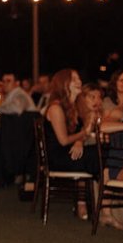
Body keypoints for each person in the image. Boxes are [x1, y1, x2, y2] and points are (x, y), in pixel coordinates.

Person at [44, 69, 99, 220]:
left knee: (101, 153)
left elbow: (80, 134)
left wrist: (80, 140)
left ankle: (101, 208)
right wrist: (84, 133)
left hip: (70, 153)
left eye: (79, 78)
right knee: (99, 155)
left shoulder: (75, 106)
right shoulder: (56, 108)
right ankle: (102, 208)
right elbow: (63, 140)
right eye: (74, 79)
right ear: (64, 84)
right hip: (59, 157)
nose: (79, 82)